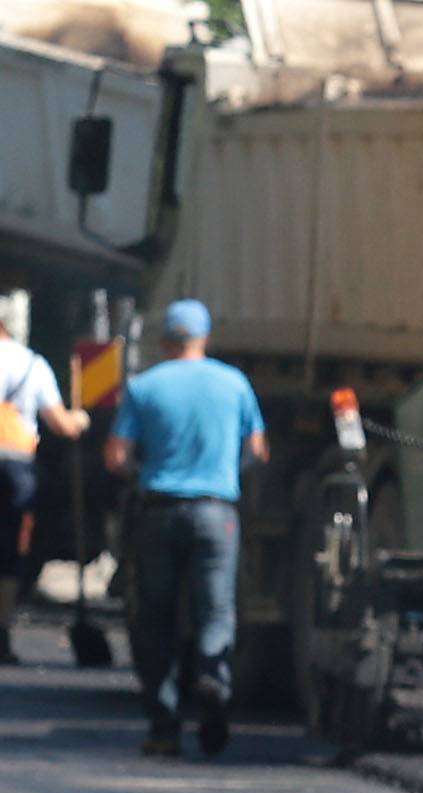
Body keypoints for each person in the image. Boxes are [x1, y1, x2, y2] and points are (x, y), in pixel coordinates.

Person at [104, 300, 267, 759]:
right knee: (216, 609)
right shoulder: (234, 384)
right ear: (205, 338)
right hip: (217, 513)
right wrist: (226, 477)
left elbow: (116, 457)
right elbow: (258, 449)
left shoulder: (144, 386)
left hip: (158, 511)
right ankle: (214, 678)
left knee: (154, 617)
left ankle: (163, 726)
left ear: (164, 341)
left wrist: (145, 476)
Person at [0, 309, 91, 665]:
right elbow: (62, 425)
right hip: (17, 467)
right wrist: (81, 420)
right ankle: (1, 631)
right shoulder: (32, 364)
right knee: (8, 554)